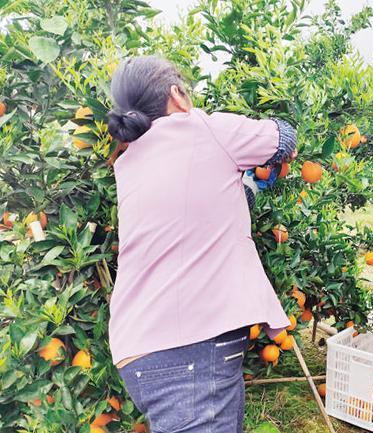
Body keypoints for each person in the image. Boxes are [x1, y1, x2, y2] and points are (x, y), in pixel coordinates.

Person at [107, 56, 296, 432]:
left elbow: (194, 216)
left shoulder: (130, 162)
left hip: (139, 350)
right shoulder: (202, 128)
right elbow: (285, 138)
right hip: (190, 347)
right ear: (177, 95)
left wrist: (244, 189)